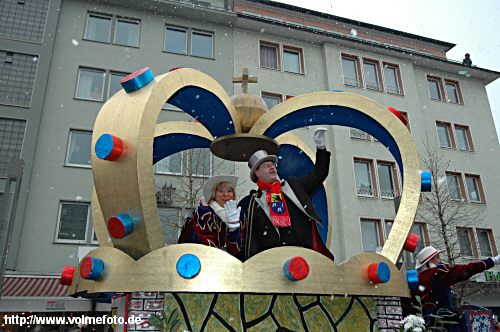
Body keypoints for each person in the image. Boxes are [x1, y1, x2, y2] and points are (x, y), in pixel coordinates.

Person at [240, 128, 334, 261]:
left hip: (306, 255)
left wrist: (321, 147)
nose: (272, 167)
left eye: (273, 164)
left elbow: (319, 174)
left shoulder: (294, 186)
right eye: (267, 165)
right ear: (257, 173)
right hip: (274, 262)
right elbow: (250, 239)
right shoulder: (253, 203)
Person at [409, 245, 500, 331]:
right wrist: (492, 261)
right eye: (437, 257)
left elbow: (412, 305)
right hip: (444, 321)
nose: (440, 260)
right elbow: (464, 270)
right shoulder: (439, 272)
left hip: (425, 324)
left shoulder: (417, 280)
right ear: (430, 260)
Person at [178, 175, 245, 260]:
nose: (226, 194)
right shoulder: (204, 214)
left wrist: (234, 228)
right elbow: (205, 246)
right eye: (220, 191)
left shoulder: (239, 215)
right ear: (214, 194)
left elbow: (237, 250)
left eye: (229, 191)